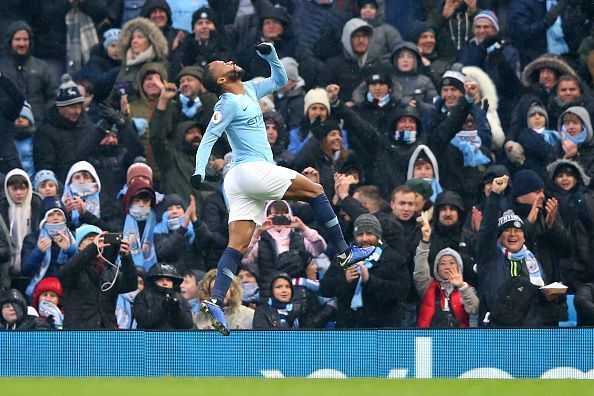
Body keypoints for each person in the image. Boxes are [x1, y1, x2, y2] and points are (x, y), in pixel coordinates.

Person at [189, 42, 375, 335]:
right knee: (315, 190)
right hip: (250, 171)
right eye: (223, 64)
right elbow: (209, 137)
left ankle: (214, 300)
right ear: (222, 80)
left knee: (236, 245)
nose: (229, 60)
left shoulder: (248, 89)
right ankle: (343, 252)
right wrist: (199, 172)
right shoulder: (227, 102)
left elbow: (279, 80)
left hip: (241, 182)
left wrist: (271, 54)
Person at [319, 214, 410, 328]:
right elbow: (324, 289)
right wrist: (344, 279)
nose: (364, 239)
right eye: (360, 234)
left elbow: (402, 291)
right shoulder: (344, 257)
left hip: (382, 329)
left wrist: (370, 281)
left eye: (369, 234)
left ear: (378, 236)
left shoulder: (393, 259)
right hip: (348, 327)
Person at [58, 224, 137, 329]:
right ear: (79, 246)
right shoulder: (73, 268)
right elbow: (65, 274)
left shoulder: (109, 270)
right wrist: (93, 248)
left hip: (106, 333)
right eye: (91, 240)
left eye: (100, 240)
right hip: (79, 334)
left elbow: (130, 284)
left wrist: (127, 258)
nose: (97, 244)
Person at [414, 212, 479, 328]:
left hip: (459, 340)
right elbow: (419, 270)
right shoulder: (428, 286)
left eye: (452, 263)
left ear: (459, 267)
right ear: (436, 268)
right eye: (442, 263)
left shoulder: (467, 288)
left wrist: (462, 287)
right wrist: (425, 241)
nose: (447, 266)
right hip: (428, 339)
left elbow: (474, 309)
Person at [133, 262, 194, 330]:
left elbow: (188, 325)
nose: (165, 283)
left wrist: (178, 311)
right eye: (161, 279)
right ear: (153, 280)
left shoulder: (180, 298)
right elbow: (142, 322)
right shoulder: (142, 296)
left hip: (174, 338)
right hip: (150, 338)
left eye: (168, 280)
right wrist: (162, 307)